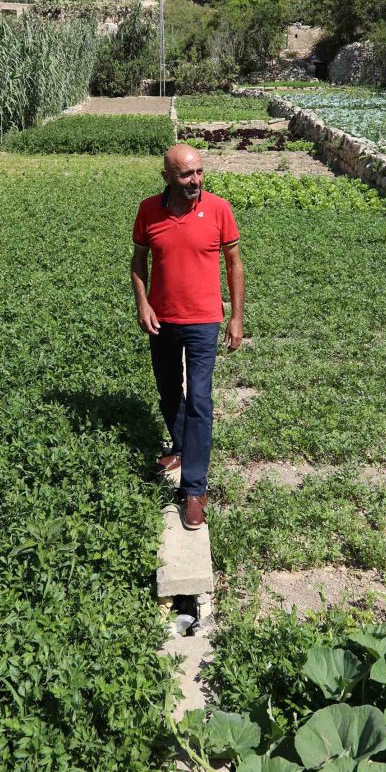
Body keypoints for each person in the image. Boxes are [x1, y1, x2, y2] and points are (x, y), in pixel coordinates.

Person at [131, 144, 244, 530]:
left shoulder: (218, 209)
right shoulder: (148, 210)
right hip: (162, 319)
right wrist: (143, 304)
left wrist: (236, 317)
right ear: (166, 177)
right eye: (186, 175)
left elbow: (234, 264)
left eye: (199, 173)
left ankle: (194, 489)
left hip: (202, 322)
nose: (195, 181)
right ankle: (181, 447)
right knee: (167, 389)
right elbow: (138, 261)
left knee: (199, 399)